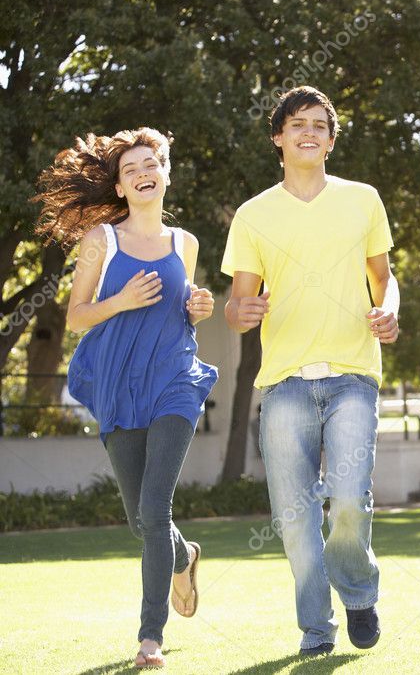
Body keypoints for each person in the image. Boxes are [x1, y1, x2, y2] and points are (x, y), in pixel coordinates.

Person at [222, 85, 399, 655]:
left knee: (349, 498)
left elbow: (384, 277)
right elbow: (237, 306)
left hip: (352, 373)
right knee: (295, 519)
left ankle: (358, 592)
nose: (309, 132)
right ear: (278, 136)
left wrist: (389, 308)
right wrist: (239, 311)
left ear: (329, 138)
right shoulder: (253, 215)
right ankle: (315, 630)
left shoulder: (363, 199)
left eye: (320, 125)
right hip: (284, 383)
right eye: (297, 123)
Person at [34, 127, 217, 668]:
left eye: (150, 163)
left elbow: (181, 309)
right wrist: (121, 300)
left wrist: (198, 307)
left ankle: (149, 637)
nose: (142, 173)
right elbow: (76, 316)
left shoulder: (186, 242)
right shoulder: (102, 242)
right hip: (118, 383)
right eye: (130, 168)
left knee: (154, 507)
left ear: (165, 174)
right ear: (119, 186)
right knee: (142, 521)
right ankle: (183, 557)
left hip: (174, 381)